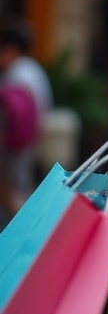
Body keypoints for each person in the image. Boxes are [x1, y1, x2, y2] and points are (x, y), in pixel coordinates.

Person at [0, 16, 52, 217]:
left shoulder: (16, 73)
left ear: (11, 48)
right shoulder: (34, 70)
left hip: (15, 142)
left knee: (10, 188)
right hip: (30, 138)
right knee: (21, 186)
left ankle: (26, 230)